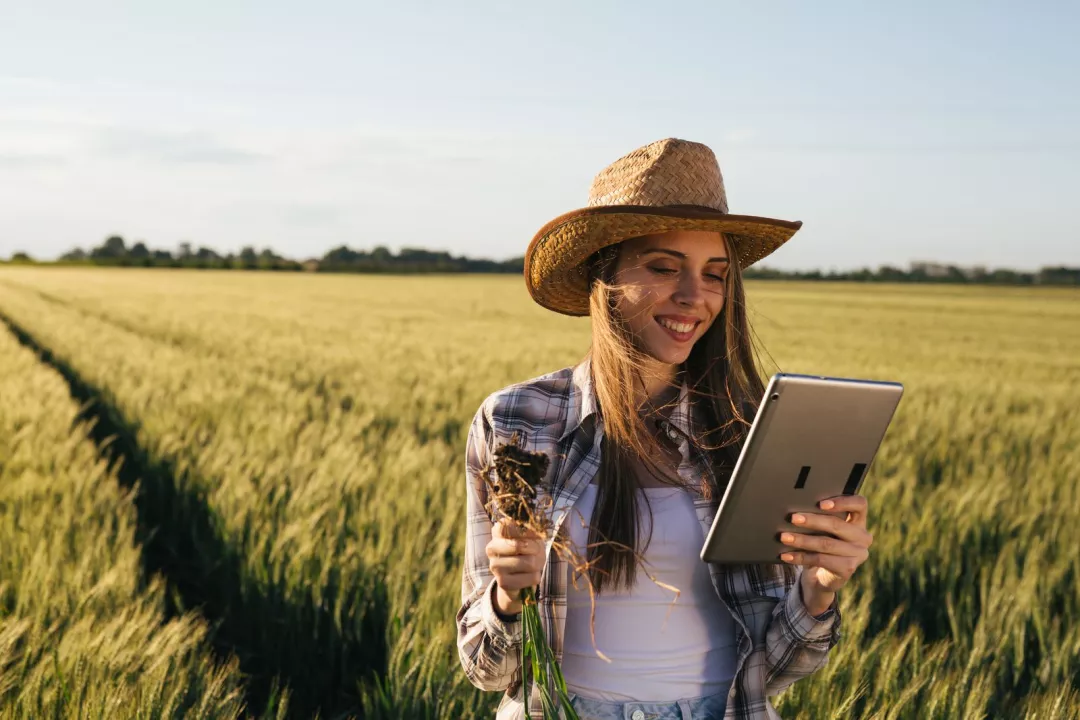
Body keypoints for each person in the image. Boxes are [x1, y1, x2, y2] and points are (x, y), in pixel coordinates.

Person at [456, 138, 873, 720]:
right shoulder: (517, 421)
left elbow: (774, 673)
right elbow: (485, 669)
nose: (693, 297)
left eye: (714, 274)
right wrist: (506, 596)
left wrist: (820, 587)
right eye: (663, 267)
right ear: (605, 274)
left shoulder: (751, 428)